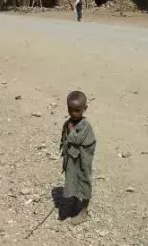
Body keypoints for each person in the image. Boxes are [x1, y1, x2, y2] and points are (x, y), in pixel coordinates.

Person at [60, 90, 96, 225]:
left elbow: (77, 138)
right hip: (72, 159)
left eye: (77, 110)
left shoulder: (85, 125)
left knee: (84, 180)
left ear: (85, 109)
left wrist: (70, 131)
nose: (73, 113)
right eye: (70, 110)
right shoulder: (69, 122)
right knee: (72, 178)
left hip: (83, 160)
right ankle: (74, 201)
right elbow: (65, 138)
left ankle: (84, 209)